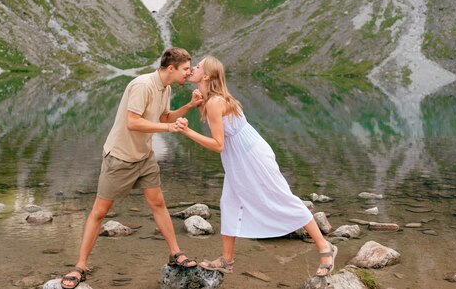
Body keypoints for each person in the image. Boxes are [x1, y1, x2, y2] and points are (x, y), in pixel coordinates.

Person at [174, 56, 337, 277]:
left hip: (252, 157)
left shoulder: (215, 102)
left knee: (283, 198)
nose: (193, 68)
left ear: (207, 75)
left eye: (198, 66)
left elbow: (219, 145)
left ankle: (325, 247)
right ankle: (227, 259)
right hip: (240, 157)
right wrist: (197, 102)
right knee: (230, 202)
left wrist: (187, 132)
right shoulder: (213, 99)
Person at [60, 47, 203, 289]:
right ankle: (80, 266)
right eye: (186, 69)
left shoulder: (165, 87)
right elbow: (133, 122)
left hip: (144, 157)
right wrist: (169, 130)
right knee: (100, 212)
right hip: (121, 157)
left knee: (158, 203)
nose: (188, 74)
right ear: (171, 68)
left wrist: (189, 106)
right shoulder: (142, 85)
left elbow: (164, 117)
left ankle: (175, 252)